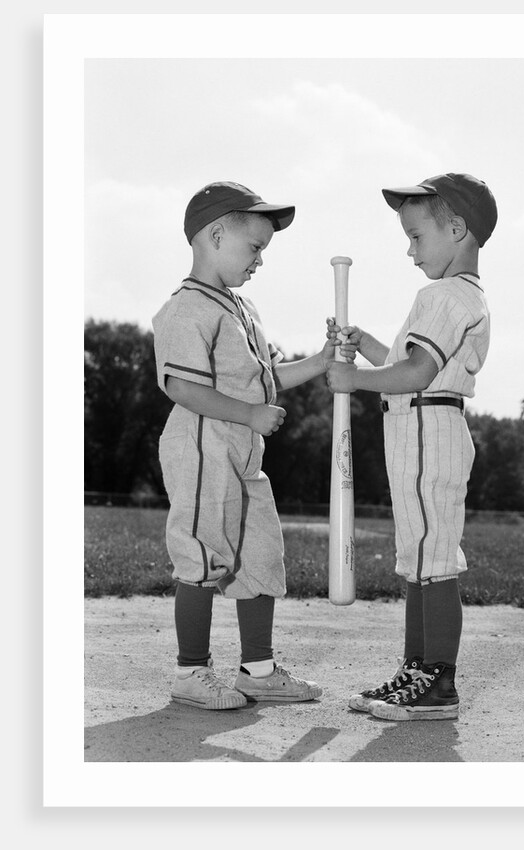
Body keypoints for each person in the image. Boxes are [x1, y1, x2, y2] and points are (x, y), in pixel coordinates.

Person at [153, 180, 355, 710]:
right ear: (216, 235)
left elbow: (266, 379)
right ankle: (191, 672)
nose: (260, 260)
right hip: (202, 447)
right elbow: (181, 386)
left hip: (243, 452)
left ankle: (258, 670)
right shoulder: (185, 308)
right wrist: (248, 414)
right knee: (203, 552)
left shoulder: (243, 309)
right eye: (256, 247)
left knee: (262, 555)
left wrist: (323, 358)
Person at [326, 172, 497, 721]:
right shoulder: (448, 296)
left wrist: (352, 382)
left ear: (457, 228)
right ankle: (416, 672)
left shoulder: (447, 294)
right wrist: (364, 346)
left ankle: (438, 683)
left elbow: (418, 370)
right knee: (419, 560)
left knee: (435, 560)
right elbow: (405, 360)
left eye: (417, 236)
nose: (409, 249)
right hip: (416, 430)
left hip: (430, 429)